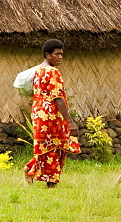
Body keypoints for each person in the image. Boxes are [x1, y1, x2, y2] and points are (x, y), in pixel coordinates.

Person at [24, 39, 80, 188]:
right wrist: (70, 121)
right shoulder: (52, 72)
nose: (60, 57)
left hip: (38, 113)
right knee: (56, 148)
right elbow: (58, 98)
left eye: (61, 54)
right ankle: (50, 184)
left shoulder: (38, 71)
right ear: (47, 55)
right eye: (57, 54)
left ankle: (31, 169)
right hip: (51, 116)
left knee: (46, 147)